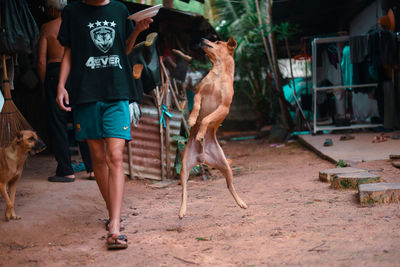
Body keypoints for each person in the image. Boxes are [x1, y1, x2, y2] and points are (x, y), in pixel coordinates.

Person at [56, 0, 152, 249]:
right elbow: (68, 52)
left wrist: (138, 31)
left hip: (117, 91)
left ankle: (115, 227)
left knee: (115, 156)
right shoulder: (72, 12)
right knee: (97, 158)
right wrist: (60, 85)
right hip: (85, 92)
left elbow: (123, 48)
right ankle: (114, 215)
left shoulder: (120, 10)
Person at [37, 0, 95, 183]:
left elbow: (40, 61)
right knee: (82, 119)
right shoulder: (78, 24)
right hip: (77, 73)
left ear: (53, 9)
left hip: (55, 74)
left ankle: (66, 170)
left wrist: (44, 85)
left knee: (58, 123)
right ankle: (92, 169)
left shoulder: (47, 28)